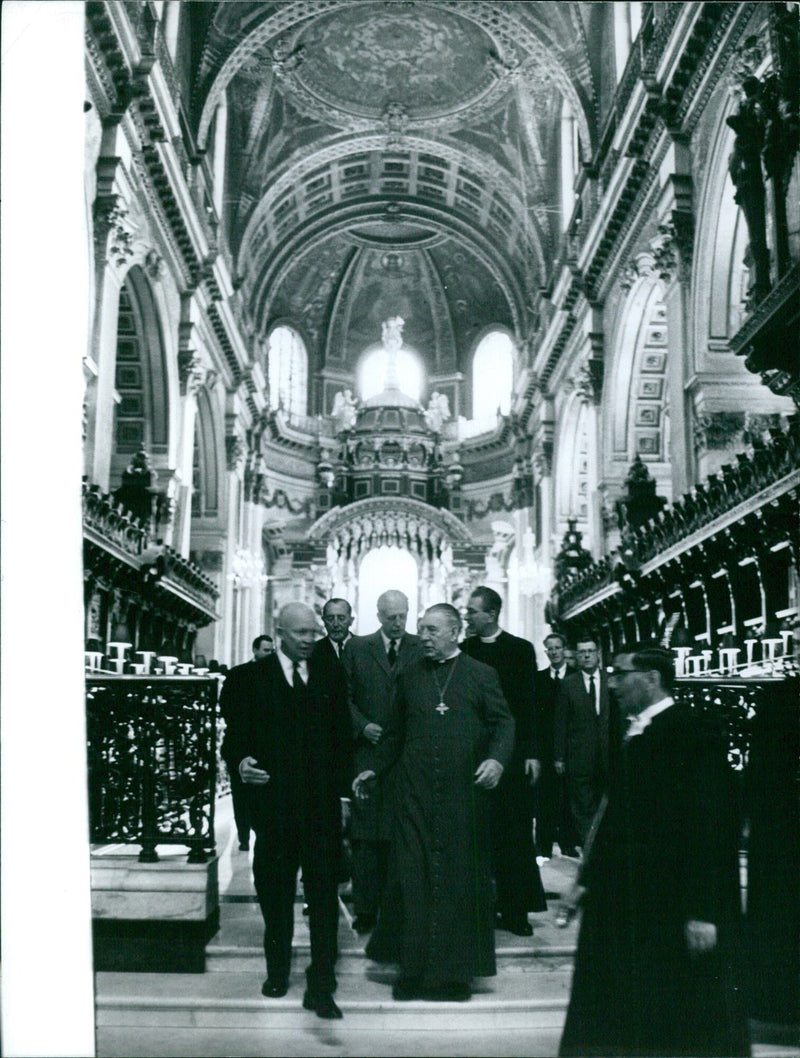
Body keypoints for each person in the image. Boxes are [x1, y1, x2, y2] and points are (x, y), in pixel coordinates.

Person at [558, 644, 749, 1057]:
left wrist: (703, 909)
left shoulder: (690, 731)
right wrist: (584, 883)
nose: (612, 684)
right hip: (633, 902)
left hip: (672, 902)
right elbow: (616, 819)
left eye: (620, 673)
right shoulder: (638, 732)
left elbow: (712, 828)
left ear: (651, 678)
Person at [354, 603, 515, 1002]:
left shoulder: (481, 674)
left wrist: (496, 758)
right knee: (413, 880)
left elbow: (504, 723)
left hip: (464, 798)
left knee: (459, 881)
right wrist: (373, 769)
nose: (422, 636)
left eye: (431, 630)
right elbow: (393, 734)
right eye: (422, 629)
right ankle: (412, 973)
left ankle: (455, 977)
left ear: (455, 632)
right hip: (415, 797)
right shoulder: (410, 675)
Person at [221, 603, 352, 1020]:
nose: (311, 639)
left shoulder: (330, 674)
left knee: (323, 896)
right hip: (273, 812)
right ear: (279, 633)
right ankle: (277, 972)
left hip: (320, 809)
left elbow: (341, 739)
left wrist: (344, 796)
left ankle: (323, 979)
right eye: (302, 633)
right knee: (275, 895)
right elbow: (234, 740)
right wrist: (240, 763)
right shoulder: (246, 679)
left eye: (314, 632)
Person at [462, 586, 546, 935]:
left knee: (513, 834)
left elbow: (529, 706)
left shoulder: (520, 650)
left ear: (491, 613)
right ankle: (479, 910)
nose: (467, 616)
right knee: (476, 834)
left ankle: (516, 911)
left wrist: (532, 752)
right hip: (472, 755)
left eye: (472, 611)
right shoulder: (464, 651)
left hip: (511, 756)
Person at [342, 589, 422, 934]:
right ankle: (365, 909)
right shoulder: (357, 648)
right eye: (391, 617)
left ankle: (398, 910)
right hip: (367, 754)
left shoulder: (420, 647)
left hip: (406, 758)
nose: (398, 622)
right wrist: (362, 725)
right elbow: (342, 697)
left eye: (402, 615)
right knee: (365, 839)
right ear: (378, 616)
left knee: (401, 836)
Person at [553, 636, 617, 846]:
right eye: (582, 652)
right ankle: (588, 847)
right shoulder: (568, 684)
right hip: (579, 756)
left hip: (609, 754)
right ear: (577, 656)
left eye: (590, 651)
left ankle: (604, 847)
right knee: (581, 804)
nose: (587, 656)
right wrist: (559, 756)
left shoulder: (612, 681)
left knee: (608, 802)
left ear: (598, 653)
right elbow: (560, 722)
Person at [219, 635, 274, 851]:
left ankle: (261, 833)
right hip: (239, 743)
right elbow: (225, 704)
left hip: (265, 746)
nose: (270, 654)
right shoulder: (238, 674)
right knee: (240, 792)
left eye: (272, 650)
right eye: (266, 650)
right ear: (255, 650)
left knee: (262, 791)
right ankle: (243, 836)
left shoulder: (277, 676)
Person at [533, 632, 579, 860]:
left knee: (568, 796)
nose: (553, 652)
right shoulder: (538, 679)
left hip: (570, 747)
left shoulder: (576, 677)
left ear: (564, 649)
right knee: (545, 797)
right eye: (549, 648)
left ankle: (568, 842)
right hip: (545, 748)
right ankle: (543, 845)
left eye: (557, 647)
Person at [312, 598, 354, 665]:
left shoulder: (364, 649)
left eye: (341, 618)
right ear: (324, 621)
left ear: (351, 620)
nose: (335, 624)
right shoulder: (313, 651)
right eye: (330, 618)